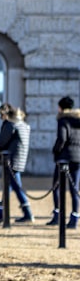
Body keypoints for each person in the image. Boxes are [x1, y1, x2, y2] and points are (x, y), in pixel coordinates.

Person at [0, 103, 33, 223]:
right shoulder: (22, 124)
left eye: (1, 115)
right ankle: (24, 212)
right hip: (19, 159)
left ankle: (2, 213)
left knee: (12, 187)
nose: (1, 117)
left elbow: (2, 141)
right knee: (14, 186)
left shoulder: (11, 124)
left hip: (12, 159)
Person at [51, 96, 80, 229]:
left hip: (64, 158)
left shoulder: (63, 120)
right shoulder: (78, 120)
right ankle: (74, 217)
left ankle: (57, 215)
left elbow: (62, 138)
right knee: (74, 189)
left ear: (61, 107)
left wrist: (55, 151)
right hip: (77, 157)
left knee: (56, 187)